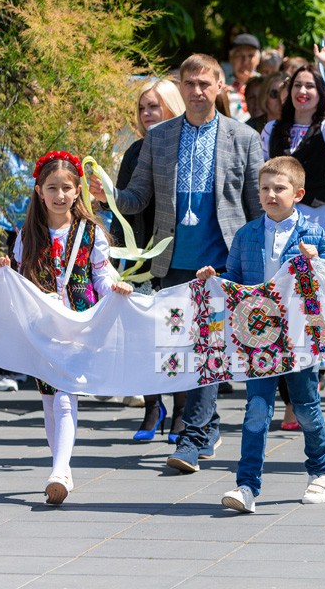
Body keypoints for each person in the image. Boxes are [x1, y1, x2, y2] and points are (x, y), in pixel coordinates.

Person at [93, 53, 263, 474]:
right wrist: (107, 195)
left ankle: (190, 436)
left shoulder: (243, 138)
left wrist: (259, 260)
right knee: (183, 349)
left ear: (220, 87)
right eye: (190, 84)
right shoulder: (161, 137)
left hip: (221, 260)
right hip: (170, 260)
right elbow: (138, 198)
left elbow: (256, 208)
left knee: (208, 346)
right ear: (181, 87)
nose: (198, 91)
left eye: (206, 84)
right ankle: (208, 427)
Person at [0, 152, 133, 505]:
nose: (59, 195)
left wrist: (114, 288)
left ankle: (59, 469)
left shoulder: (91, 232)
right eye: (52, 188)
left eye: (66, 187)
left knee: (66, 398)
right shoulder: (27, 234)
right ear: (39, 191)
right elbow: (20, 280)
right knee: (49, 400)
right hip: (41, 327)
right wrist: (1, 268)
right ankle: (61, 468)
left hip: (78, 325)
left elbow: (99, 274)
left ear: (77, 190)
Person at [196, 157, 325, 512]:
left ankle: (320, 471)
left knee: (305, 407)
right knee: (256, 412)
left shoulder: (315, 234)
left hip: (300, 336)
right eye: (265, 189)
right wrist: (214, 279)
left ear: (298, 194)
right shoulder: (247, 234)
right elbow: (236, 279)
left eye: (280, 188)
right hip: (258, 337)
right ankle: (246, 486)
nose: (271, 195)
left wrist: (317, 261)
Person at [261, 35, 325, 429]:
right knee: (282, 311)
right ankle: (288, 401)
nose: (303, 91)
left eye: (311, 86)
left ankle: (307, 393)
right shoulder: (272, 130)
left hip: (317, 228)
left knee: (315, 314)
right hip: (279, 231)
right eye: (298, 85)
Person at [114, 78, 189, 442]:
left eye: (154, 106)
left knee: (176, 336)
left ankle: (181, 412)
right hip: (140, 258)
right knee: (143, 338)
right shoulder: (135, 151)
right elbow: (125, 206)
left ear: (173, 107)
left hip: (178, 256)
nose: (146, 114)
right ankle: (151, 407)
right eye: (142, 107)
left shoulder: (184, 149)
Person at [226, 33, 262, 123]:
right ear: (231, 58)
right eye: (239, 55)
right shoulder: (221, 86)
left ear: (258, 59)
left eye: (250, 56)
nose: (245, 61)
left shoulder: (266, 85)